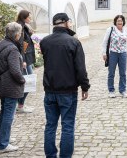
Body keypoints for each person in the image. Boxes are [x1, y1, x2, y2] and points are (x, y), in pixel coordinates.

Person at [41, 13, 90, 158]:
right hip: (67, 90)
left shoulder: (45, 41)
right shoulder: (73, 42)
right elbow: (80, 68)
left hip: (50, 90)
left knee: (50, 125)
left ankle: (50, 155)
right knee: (67, 126)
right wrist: (85, 86)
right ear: (67, 23)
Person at [0, 22, 26, 153]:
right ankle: (3, 144)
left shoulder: (1, 44)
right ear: (16, 35)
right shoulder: (13, 49)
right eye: (20, 33)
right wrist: (23, 80)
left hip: (1, 84)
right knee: (8, 114)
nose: (20, 35)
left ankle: (4, 138)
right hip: (10, 86)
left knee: (4, 112)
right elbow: (15, 71)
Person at [102, 15, 127, 98]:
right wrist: (104, 53)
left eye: (121, 21)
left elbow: (125, 42)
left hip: (123, 53)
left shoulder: (126, 30)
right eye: (118, 21)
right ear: (115, 22)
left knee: (123, 73)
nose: (120, 22)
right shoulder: (110, 30)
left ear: (123, 22)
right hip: (113, 53)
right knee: (111, 73)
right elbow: (105, 42)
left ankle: (123, 90)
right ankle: (111, 90)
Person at [16, 10, 35, 113]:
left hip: (26, 58)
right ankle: (20, 105)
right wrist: (23, 60)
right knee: (28, 81)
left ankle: (20, 104)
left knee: (28, 81)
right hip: (24, 59)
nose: (30, 19)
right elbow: (21, 45)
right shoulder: (21, 27)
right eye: (29, 17)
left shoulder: (24, 26)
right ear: (24, 17)